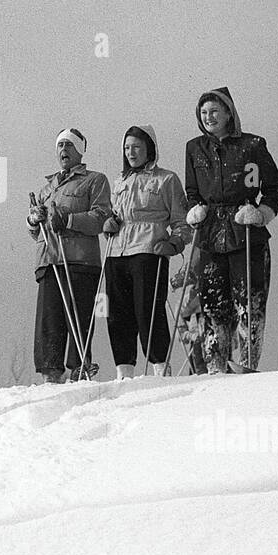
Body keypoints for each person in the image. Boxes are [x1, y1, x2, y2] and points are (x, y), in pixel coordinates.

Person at [183, 87, 278, 373]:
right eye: (203, 113)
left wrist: (262, 212)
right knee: (214, 304)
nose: (209, 117)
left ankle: (247, 364)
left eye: (215, 111)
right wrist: (195, 209)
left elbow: (274, 187)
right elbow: (192, 190)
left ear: (229, 112)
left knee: (248, 302)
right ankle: (216, 365)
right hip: (210, 232)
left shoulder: (253, 145)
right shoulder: (194, 148)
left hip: (246, 231)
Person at [101, 125, 191, 378]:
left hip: (149, 248)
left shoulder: (166, 179)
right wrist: (108, 224)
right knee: (117, 313)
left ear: (149, 148)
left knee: (148, 309)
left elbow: (181, 221)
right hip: (117, 251)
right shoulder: (121, 181)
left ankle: (160, 366)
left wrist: (174, 243)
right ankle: (124, 370)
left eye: (137, 147)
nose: (131, 152)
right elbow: (115, 215)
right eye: (127, 148)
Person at [27, 128, 112, 382]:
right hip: (49, 259)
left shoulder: (94, 180)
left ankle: (79, 369)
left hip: (80, 260)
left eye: (69, 146)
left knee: (80, 315)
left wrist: (70, 219)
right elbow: (35, 231)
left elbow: (101, 217)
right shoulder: (46, 189)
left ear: (80, 151)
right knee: (49, 320)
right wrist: (33, 220)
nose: (64, 150)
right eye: (60, 145)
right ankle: (50, 373)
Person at [170, 253, 208, 375]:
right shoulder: (186, 301)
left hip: (215, 340)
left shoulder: (217, 296)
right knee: (199, 369)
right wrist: (191, 336)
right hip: (196, 343)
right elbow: (180, 330)